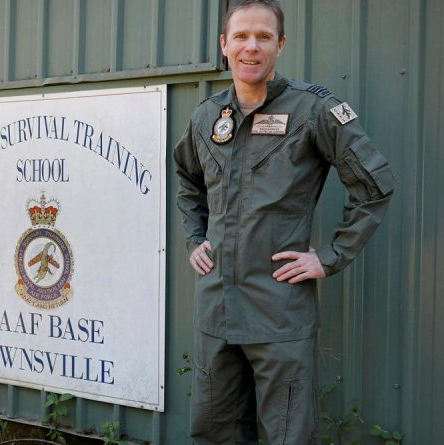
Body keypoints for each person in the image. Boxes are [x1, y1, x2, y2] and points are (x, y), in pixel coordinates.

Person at [173, 1, 395, 443]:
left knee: (288, 435)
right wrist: (195, 237)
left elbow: (375, 185)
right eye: (240, 36)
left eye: (263, 37)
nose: (250, 47)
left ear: (281, 45)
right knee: (214, 432)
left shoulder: (313, 110)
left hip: (279, 313)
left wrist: (329, 256)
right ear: (224, 45)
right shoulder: (206, 117)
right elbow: (186, 178)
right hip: (216, 309)